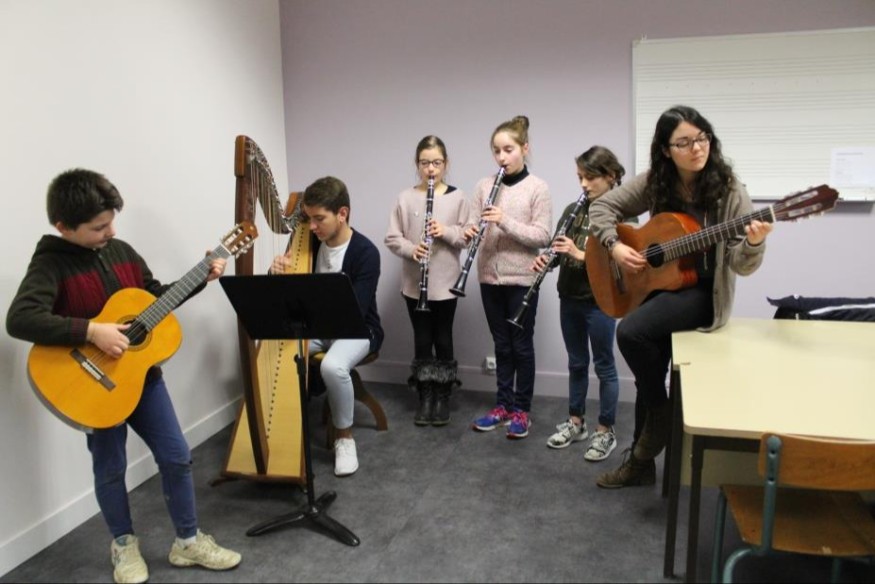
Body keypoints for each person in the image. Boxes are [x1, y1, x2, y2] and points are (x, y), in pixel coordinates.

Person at [5, 169, 242, 584]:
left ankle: (188, 541)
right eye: (99, 227)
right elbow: (20, 318)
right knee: (111, 467)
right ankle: (123, 544)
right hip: (93, 388)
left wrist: (200, 278)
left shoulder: (122, 251)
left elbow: (154, 298)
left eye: (111, 222)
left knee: (176, 456)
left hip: (143, 380)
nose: (110, 232)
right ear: (64, 227)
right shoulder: (50, 263)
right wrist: (91, 331)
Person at [588, 105, 772, 488]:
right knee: (649, 370)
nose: (696, 148)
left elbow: (741, 264)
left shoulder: (730, 191)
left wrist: (754, 243)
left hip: (703, 293)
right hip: (661, 286)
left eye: (702, 138)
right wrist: (615, 246)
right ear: (666, 150)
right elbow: (603, 206)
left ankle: (660, 416)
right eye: (684, 142)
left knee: (630, 332)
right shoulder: (658, 181)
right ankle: (641, 462)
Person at [271, 176, 383, 477]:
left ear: (342, 214)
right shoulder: (307, 243)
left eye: (319, 219)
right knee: (280, 350)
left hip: (358, 328)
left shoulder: (365, 252)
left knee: (333, 366)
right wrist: (276, 270)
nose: (312, 227)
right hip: (318, 327)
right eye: (308, 219)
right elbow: (287, 295)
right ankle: (284, 426)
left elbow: (356, 310)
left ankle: (344, 439)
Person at [533, 146, 625, 461]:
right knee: (576, 362)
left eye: (590, 178)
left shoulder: (623, 213)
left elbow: (621, 262)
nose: (584, 184)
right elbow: (559, 252)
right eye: (580, 178)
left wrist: (579, 254)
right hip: (569, 296)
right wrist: (547, 260)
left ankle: (605, 430)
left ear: (610, 176)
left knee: (604, 365)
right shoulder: (574, 208)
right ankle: (576, 422)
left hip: (600, 302)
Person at [469, 115, 552, 439]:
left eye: (508, 150)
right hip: (489, 277)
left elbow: (542, 235)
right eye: (496, 151)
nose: (501, 157)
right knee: (501, 345)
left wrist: (504, 220)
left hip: (522, 280)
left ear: (524, 148)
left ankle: (521, 410)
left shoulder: (537, 188)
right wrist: (469, 231)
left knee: (521, 347)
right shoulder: (483, 186)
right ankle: (502, 406)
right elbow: (471, 227)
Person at [384, 135, 473, 426]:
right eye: (425, 163)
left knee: (443, 339)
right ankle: (425, 396)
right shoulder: (405, 197)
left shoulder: (458, 197)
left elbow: (466, 237)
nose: (431, 169)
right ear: (417, 164)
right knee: (422, 340)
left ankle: (443, 395)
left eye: (436, 163)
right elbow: (392, 238)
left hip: (446, 284)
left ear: (445, 164)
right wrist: (413, 250)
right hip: (414, 285)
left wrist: (444, 231)